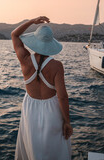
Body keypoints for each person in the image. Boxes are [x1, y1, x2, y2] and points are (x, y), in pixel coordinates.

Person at [12, 16, 72, 160]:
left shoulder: (25, 59)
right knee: (54, 149)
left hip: (30, 108)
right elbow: (62, 96)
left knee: (33, 147)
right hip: (51, 109)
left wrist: (33, 21)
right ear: (51, 44)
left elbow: (14, 34)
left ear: (35, 41)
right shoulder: (57, 66)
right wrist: (67, 122)